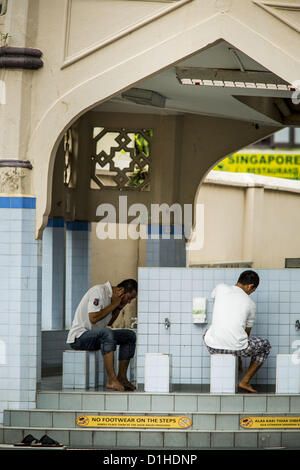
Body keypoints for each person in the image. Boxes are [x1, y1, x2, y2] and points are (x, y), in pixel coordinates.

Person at [203, 270, 271, 393]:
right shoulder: (251, 304)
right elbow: (246, 334)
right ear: (250, 286)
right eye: (252, 290)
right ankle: (245, 381)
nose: (251, 293)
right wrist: (239, 357)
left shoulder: (220, 288)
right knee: (265, 345)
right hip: (237, 348)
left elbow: (214, 298)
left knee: (209, 330)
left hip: (212, 346)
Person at [66, 279, 138, 392]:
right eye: (129, 298)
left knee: (129, 335)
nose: (129, 302)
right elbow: (93, 318)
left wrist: (118, 307)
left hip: (96, 336)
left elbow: (109, 322)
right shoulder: (99, 291)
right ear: (121, 290)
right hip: (79, 337)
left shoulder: (113, 300)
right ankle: (112, 380)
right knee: (107, 333)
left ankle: (122, 377)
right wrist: (114, 304)